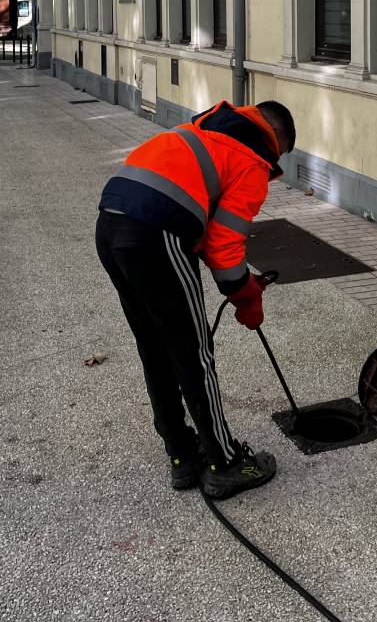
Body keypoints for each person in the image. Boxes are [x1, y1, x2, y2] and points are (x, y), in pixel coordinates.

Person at [95, 98, 297, 500]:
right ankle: (225, 463)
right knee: (193, 353)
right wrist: (246, 298)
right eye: (281, 155)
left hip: (109, 228)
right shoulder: (251, 162)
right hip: (156, 237)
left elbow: (203, 228)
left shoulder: (201, 134)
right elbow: (223, 249)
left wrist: (240, 285)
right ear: (275, 140)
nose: (275, 165)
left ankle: (181, 454)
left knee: (154, 346)